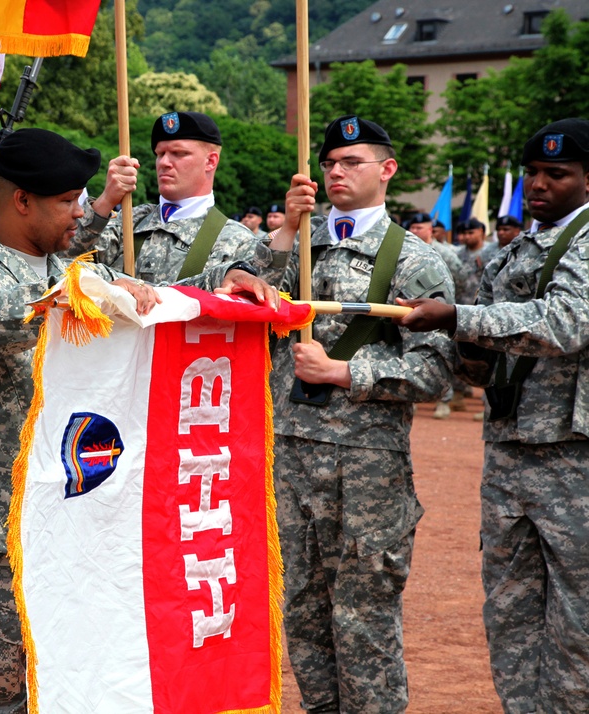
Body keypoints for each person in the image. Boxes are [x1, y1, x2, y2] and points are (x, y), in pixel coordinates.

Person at [0, 127, 279, 714]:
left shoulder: (87, 277)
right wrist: (59, 297)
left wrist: (223, 293)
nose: (83, 212)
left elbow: (154, 306)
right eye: (68, 201)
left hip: (81, 539)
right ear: (21, 202)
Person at [395, 118, 589, 713]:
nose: (538, 185)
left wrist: (457, 319)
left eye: (556, 174)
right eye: (532, 172)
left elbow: (564, 324)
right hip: (509, 453)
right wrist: (456, 346)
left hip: (574, 458)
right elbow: (487, 362)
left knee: (578, 627)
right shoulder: (515, 251)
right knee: (510, 615)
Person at [267, 115, 455, 714]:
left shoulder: (416, 261)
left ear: (387, 170)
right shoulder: (298, 246)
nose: (337, 172)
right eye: (329, 163)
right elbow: (235, 294)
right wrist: (285, 230)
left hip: (367, 466)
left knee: (364, 620)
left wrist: (344, 372)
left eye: (352, 162)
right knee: (302, 613)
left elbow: (434, 372)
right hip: (290, 453)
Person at [68, 110, 270, 282]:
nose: (164, 162)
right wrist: (106, 201)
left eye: (178, 153)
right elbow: (63, 267)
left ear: (210, 161)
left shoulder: (238, 240)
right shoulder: (130, 221)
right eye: (160, 153)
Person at [407, 211, 470, 419]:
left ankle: (445, 400)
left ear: (429, 229)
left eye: (419, 227)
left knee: (441, 352)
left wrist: (449, 304)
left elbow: (460, 277)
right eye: (412, 228)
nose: (415, 231)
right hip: (410, 310)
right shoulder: (404, 249)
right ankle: (410, 400)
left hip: (440, 310)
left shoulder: (444, 252)